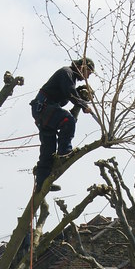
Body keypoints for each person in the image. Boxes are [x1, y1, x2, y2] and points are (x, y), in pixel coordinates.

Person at [30, 57, 95, 192]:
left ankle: (41, 184)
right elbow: (70, 92)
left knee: (48, 149)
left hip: (43, 112)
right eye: (88, 71)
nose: (88, 76)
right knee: (67, 119)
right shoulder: (67, 72)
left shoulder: (70, 78)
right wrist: (83, 105)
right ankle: (64, 151)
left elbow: (71, 92)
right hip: (44, 108)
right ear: (82, 67)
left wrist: (80, 98)